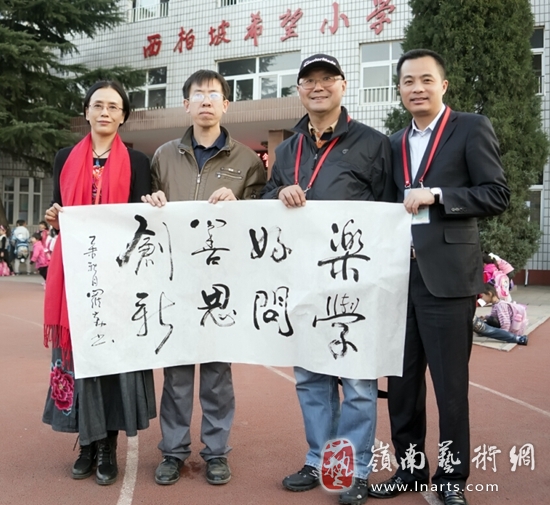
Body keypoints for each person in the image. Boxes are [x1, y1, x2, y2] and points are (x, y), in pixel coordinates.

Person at [367, 49, 510, 505]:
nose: (417, 88)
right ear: (399, 89)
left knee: (450, 388)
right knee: (402, 386)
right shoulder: (392, 143)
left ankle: (451, 478)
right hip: (398, 279)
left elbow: (496, 193)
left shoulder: (470, 128)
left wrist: (439, 195)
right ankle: (410, 470)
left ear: (443, 85)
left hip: (446, 279)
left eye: (426, 80)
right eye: (408, 81)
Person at [261, 54, 394, 505]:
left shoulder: (374, 144)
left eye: (327, 79)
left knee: (356, 382)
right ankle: (319, 459)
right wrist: (278, 192)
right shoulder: (287, 149)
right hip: (304, 281)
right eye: (309, 81)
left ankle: (354, 469)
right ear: (299, 90)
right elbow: (265, 200)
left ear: (343, 85)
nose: (318, 87)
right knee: (311, 377)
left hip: (356, 283)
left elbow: (389, 211)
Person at [142, 69, 266, 487]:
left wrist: (240, 204)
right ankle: (173, 451)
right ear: (186, 104)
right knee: (176, 372)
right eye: (199, 94)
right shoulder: (163, 156)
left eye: (214, 94)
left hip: (222, 282)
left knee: (216, 373)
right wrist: (152, 199)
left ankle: (216, 452)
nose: (206, 101)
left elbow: (261, 219)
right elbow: (146, 211)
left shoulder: (247, 160)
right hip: (175, 280)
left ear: (226, 104)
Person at [41, 81, 156, 486]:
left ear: (123, 116)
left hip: (118, 276)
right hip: (75, 272)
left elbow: (142, 222)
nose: (105, 112)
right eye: (98, 105)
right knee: (77, 360)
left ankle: (107, 444)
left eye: (113, 107)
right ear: (86, 111)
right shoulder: (64, 158)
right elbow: (58, 210)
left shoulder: (138, 162)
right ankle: (86, 444)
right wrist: (53, 216)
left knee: (109, 360)